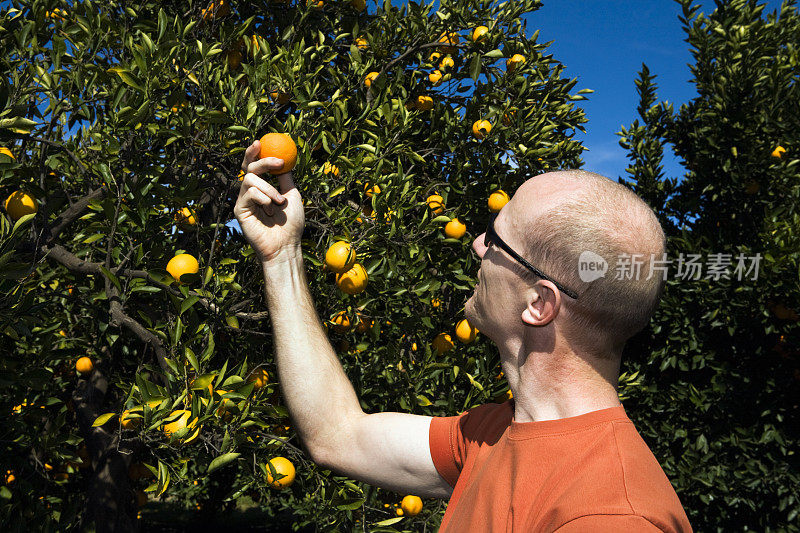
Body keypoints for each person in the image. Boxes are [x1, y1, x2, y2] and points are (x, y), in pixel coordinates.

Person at [234, 140, 693, 532]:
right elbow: (336, 433)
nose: (477, 244)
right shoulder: (492, 433)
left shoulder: (607, 516)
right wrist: (282, 256)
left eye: (496, 238)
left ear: (539, 303)